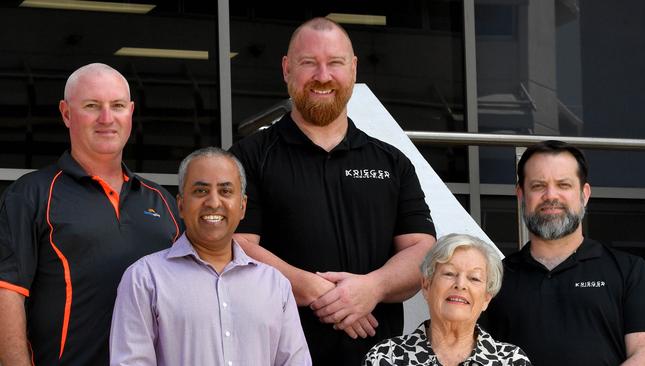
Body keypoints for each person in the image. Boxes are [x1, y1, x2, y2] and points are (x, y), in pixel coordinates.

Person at [229, 17, 436, 365]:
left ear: (353, 69)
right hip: (275, 356)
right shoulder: (248, 157)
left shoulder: (391, 162)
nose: (322, 76)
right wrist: (322, 293)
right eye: (309, 63)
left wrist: (373, 288)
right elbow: (236, 245)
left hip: (376, 358)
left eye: (335, 63)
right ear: (286, 69)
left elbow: (422, 249)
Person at [0, 63, 181, 365]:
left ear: (131, 112)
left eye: (118, 106)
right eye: (92, 106)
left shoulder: (162, 200)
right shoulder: (31, 195)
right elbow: (6, 296)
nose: (107, 118)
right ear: (66, 113)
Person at [110, 147, 311, 365]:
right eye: (201, 191)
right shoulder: (145, 279)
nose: (214, 202)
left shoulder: (275, 285)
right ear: (180, 205)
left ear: (243, 206)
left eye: (225, 191)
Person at [480, 140, 645, 365]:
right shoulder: (494, 278)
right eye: (538, 185)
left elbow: (644, 352)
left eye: (563, 185)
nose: (551, 196)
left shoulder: (630, 271)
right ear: (521, 195)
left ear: (584, 194)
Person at [364, 233, 531, 366]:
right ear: (427, 286)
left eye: (474, 278)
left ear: (487, 298)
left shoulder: (511, 361)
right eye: (449, 273)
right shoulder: (387, 357)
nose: (460, 285)